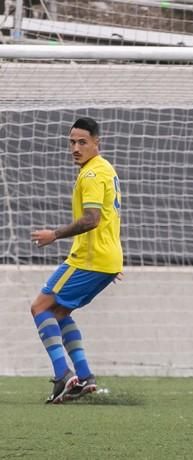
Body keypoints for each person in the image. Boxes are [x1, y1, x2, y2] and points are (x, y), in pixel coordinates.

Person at [30, 117, 123, 404]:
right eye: (72, 142)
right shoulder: (105, 169)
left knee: (39, 307)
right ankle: (83, 377)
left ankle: (63, 375)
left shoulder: (92, 175)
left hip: (89, 260)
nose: (76, 148)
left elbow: (93, 219)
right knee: (59, 313)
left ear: (97, 143)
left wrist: (54, 234)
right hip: (104, 261)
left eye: (83, 142)